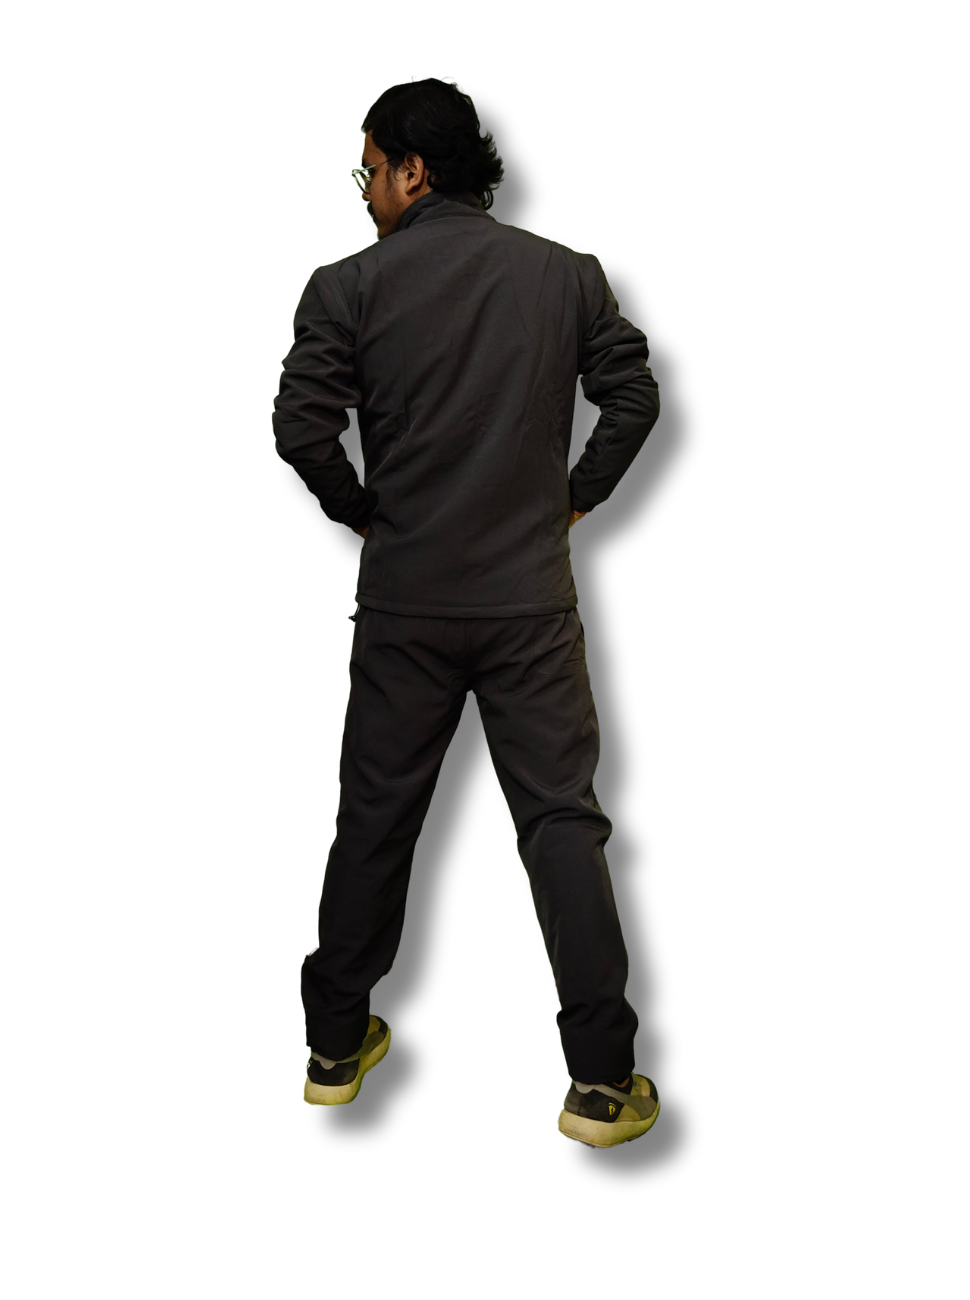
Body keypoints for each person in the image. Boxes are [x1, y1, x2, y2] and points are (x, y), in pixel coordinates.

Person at [272, 79, 661, 1147]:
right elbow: (633, 394)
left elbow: (301, 426)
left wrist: (367, 512)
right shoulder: (563, 276)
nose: (365, 192)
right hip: (528, 603)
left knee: (375, 817)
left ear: (414, 170)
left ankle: (334, 1046)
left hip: (406, 604)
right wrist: (574, 495)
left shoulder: (346, 288)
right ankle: (600, 1084)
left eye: (369, 170)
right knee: (561, 824)